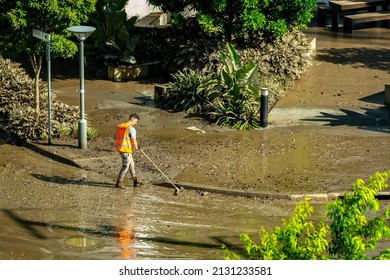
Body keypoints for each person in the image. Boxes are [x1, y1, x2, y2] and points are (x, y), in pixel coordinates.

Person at [114, 113, 142, 188]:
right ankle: (119, 182)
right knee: (126, 166)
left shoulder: (119, 126)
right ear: (133, 120)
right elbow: (133, 141)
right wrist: (137, 147)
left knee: (131, 164)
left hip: (120, 149)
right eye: (136, 122)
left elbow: (115, 137)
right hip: (126, 150)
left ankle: (135, 180)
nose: (136, 123)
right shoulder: (131, 129)